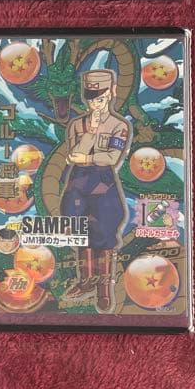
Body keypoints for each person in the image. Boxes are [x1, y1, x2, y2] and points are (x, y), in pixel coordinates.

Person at [59, 69, 132, 314]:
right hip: (78, 182)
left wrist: (87, 157)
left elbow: (112, 158)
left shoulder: (119, 126)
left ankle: (103, 289)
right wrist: (89, 135)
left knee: (106, 231)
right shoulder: (76, 124)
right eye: (91, 99)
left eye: (100, 98)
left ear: (110, 93)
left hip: (103, 183)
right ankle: (86, 281)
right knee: (79, 229)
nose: (95, 103)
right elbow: (73, 154)